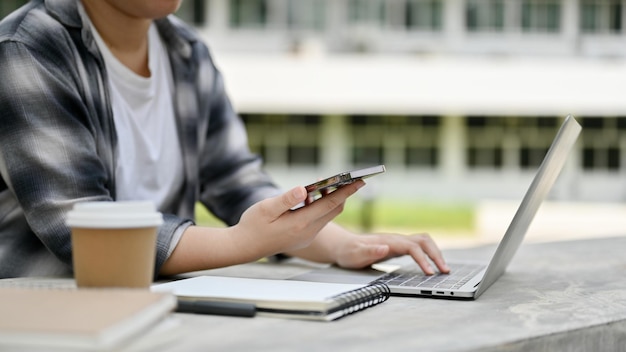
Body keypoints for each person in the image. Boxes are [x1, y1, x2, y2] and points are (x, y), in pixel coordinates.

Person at [0, 0, 449, 279]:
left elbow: (237, 183)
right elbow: (83, 231)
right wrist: (239, 244)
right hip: (53, 319)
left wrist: (345, 245)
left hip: (159, 311)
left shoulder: (187, 53)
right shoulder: (26, 50)